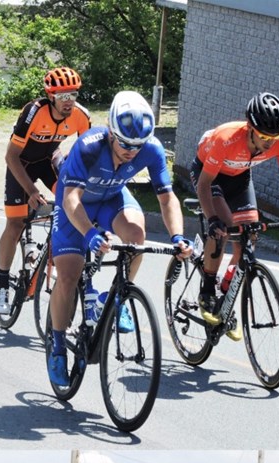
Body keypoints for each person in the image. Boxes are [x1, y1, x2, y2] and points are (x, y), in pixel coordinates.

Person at [44, 91, 192, 387]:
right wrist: (89, 234)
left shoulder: (151, 149)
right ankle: (57, 344)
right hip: (76, 205)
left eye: (137, 146)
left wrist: (178, 237)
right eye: (124, 144)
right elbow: (71, 198)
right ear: (111, 132)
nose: (131, 152)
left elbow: (167, 199)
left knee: (136, 236)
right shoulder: (88, 146)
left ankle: (116, 299)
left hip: (111, 198)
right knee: (70, 274)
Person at [190, 93, 279, 338]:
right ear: (250, 128)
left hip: (240, 178)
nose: (269, 143)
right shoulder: (226, 138)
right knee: (224, 227)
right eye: (264, 136)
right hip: (208, 176)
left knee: (249, 236)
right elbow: (203, 184)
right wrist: (212, 220)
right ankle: (207, 292)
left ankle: (226, 294)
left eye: (274, 137)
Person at [0, 67, 92, 315]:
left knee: (72, 206)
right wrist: (31, 190)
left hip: (49, 160)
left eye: (73, 95)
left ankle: (56, 255)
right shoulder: (33, 112)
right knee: (16, 223)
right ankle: (2, 281)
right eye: (62, 96)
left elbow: (88, 154)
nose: (69, 101)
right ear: (51, 96)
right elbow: (11, 156)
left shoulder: (81, 115)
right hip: (21, 164)